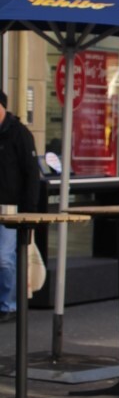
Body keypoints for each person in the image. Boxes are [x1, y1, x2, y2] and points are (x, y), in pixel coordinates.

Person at [0, 91, 41, 321]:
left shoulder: (19, 134)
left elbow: (31, 174)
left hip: (10, 208)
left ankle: (9, 305)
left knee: (4, 259)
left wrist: (30, 210)